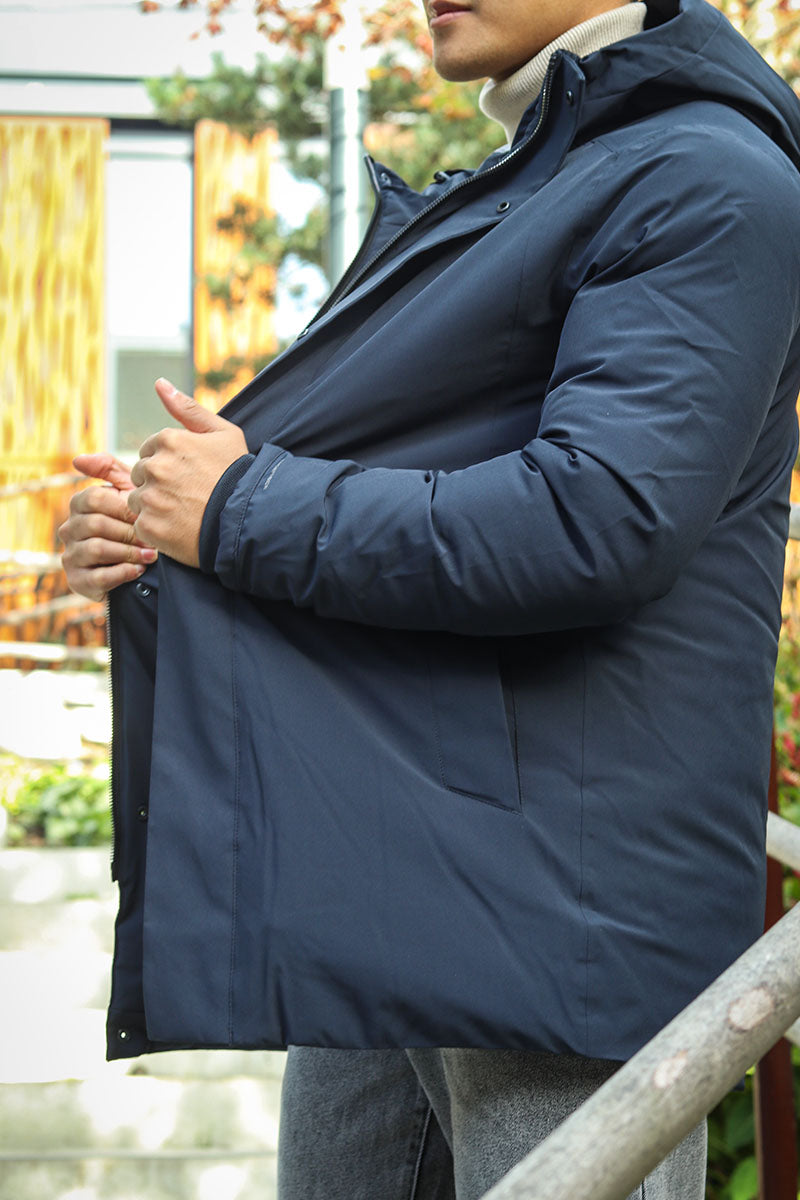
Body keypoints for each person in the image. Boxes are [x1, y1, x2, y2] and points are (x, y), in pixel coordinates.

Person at [60, 0, 800, 1196]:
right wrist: (165, 520)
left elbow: (593, 521)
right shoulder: (542, 179)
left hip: (554, 914)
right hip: (408, 856)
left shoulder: (705, 177)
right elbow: (404, 476)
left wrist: (240, 509)